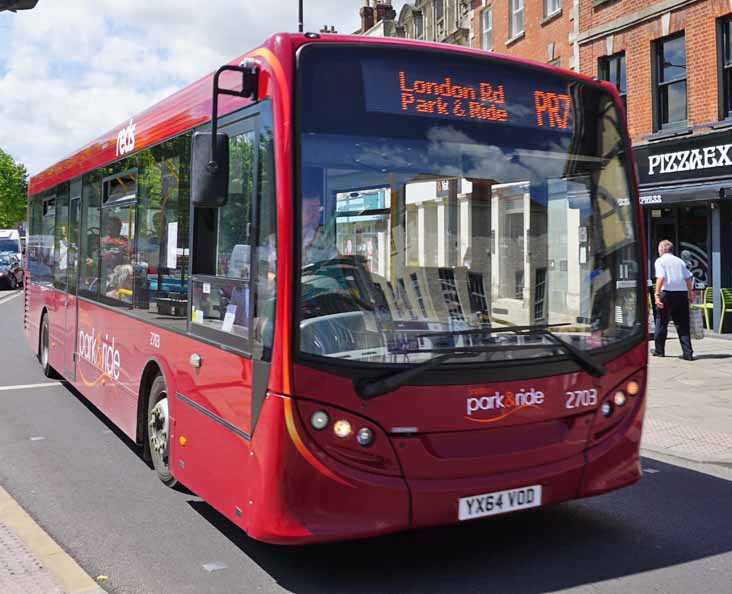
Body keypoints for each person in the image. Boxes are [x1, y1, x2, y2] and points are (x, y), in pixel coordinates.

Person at [653, 239, 694, 360]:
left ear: (661, 249)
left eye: (659, 249)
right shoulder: (680, 261)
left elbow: (660, 278)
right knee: (683, 324)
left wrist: (656, 294)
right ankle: (688, 353)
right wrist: (690, 294)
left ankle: (659, 350)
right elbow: (688, 278)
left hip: (666, 294)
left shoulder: (660, 261)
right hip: (681, 294)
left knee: (661, 322)